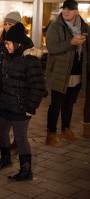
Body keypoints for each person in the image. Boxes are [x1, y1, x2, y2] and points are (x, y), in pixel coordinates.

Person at [0, 22, 46, 181]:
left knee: (21, 138)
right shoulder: (8, 56)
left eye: (8, 43)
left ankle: (26, 171)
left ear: (18, 43)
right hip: (6, 103)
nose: (6, 46)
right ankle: (6, 159)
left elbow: (38, 87)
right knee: (1, 133)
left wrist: (31, 107)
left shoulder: (30, 60)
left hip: (21, 107)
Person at [45, 0, 90, 146]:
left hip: (77, 73)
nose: (66, 12)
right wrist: (71, 43)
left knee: (69, 104)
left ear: (76, 11)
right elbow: (52, 48)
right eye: (64, 9)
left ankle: (66, 129)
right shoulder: (55, 26)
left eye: (69, 9)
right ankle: (51, 133)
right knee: (56, 104)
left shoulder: (85, 27)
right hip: (60, 72)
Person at [0, 11, 22, 150]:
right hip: (1, 79)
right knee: (3, 111)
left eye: (11, 24)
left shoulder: (19, 41)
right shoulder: (3, 39)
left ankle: (17, 141)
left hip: (14, 82)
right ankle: (3, 139)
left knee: (14, 112)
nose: (7, 26)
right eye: (6, 24)